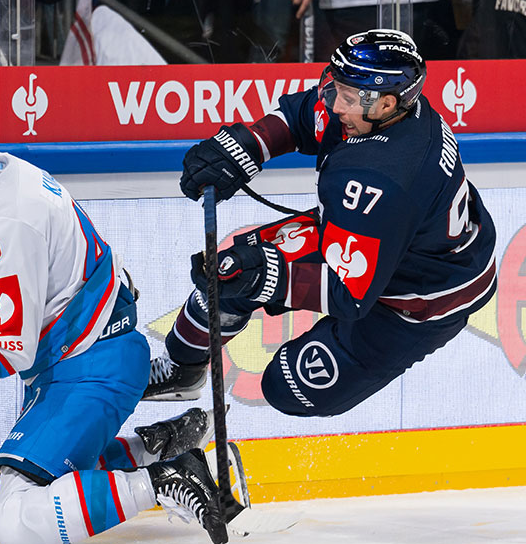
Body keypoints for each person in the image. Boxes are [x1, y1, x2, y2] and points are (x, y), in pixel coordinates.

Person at [0, 95, 249, 544]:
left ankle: (166, 478)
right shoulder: (4, 170)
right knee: (60, 482)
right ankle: (156, 446)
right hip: (93, 352)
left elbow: (9, 346)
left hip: (88, 365)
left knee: (17, 521)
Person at [145, 30, 497, 424]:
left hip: (420, 299)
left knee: (286, 385)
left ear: (386, 103)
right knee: (230, 270)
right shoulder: (380, 113)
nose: (334, 103)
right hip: (385, 235)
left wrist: (271, 278)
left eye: (348, 97)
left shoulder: (380, 178)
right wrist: (249, 144)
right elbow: (302, 115)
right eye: (336, 86)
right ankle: (181, 369)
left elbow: (350, 297)